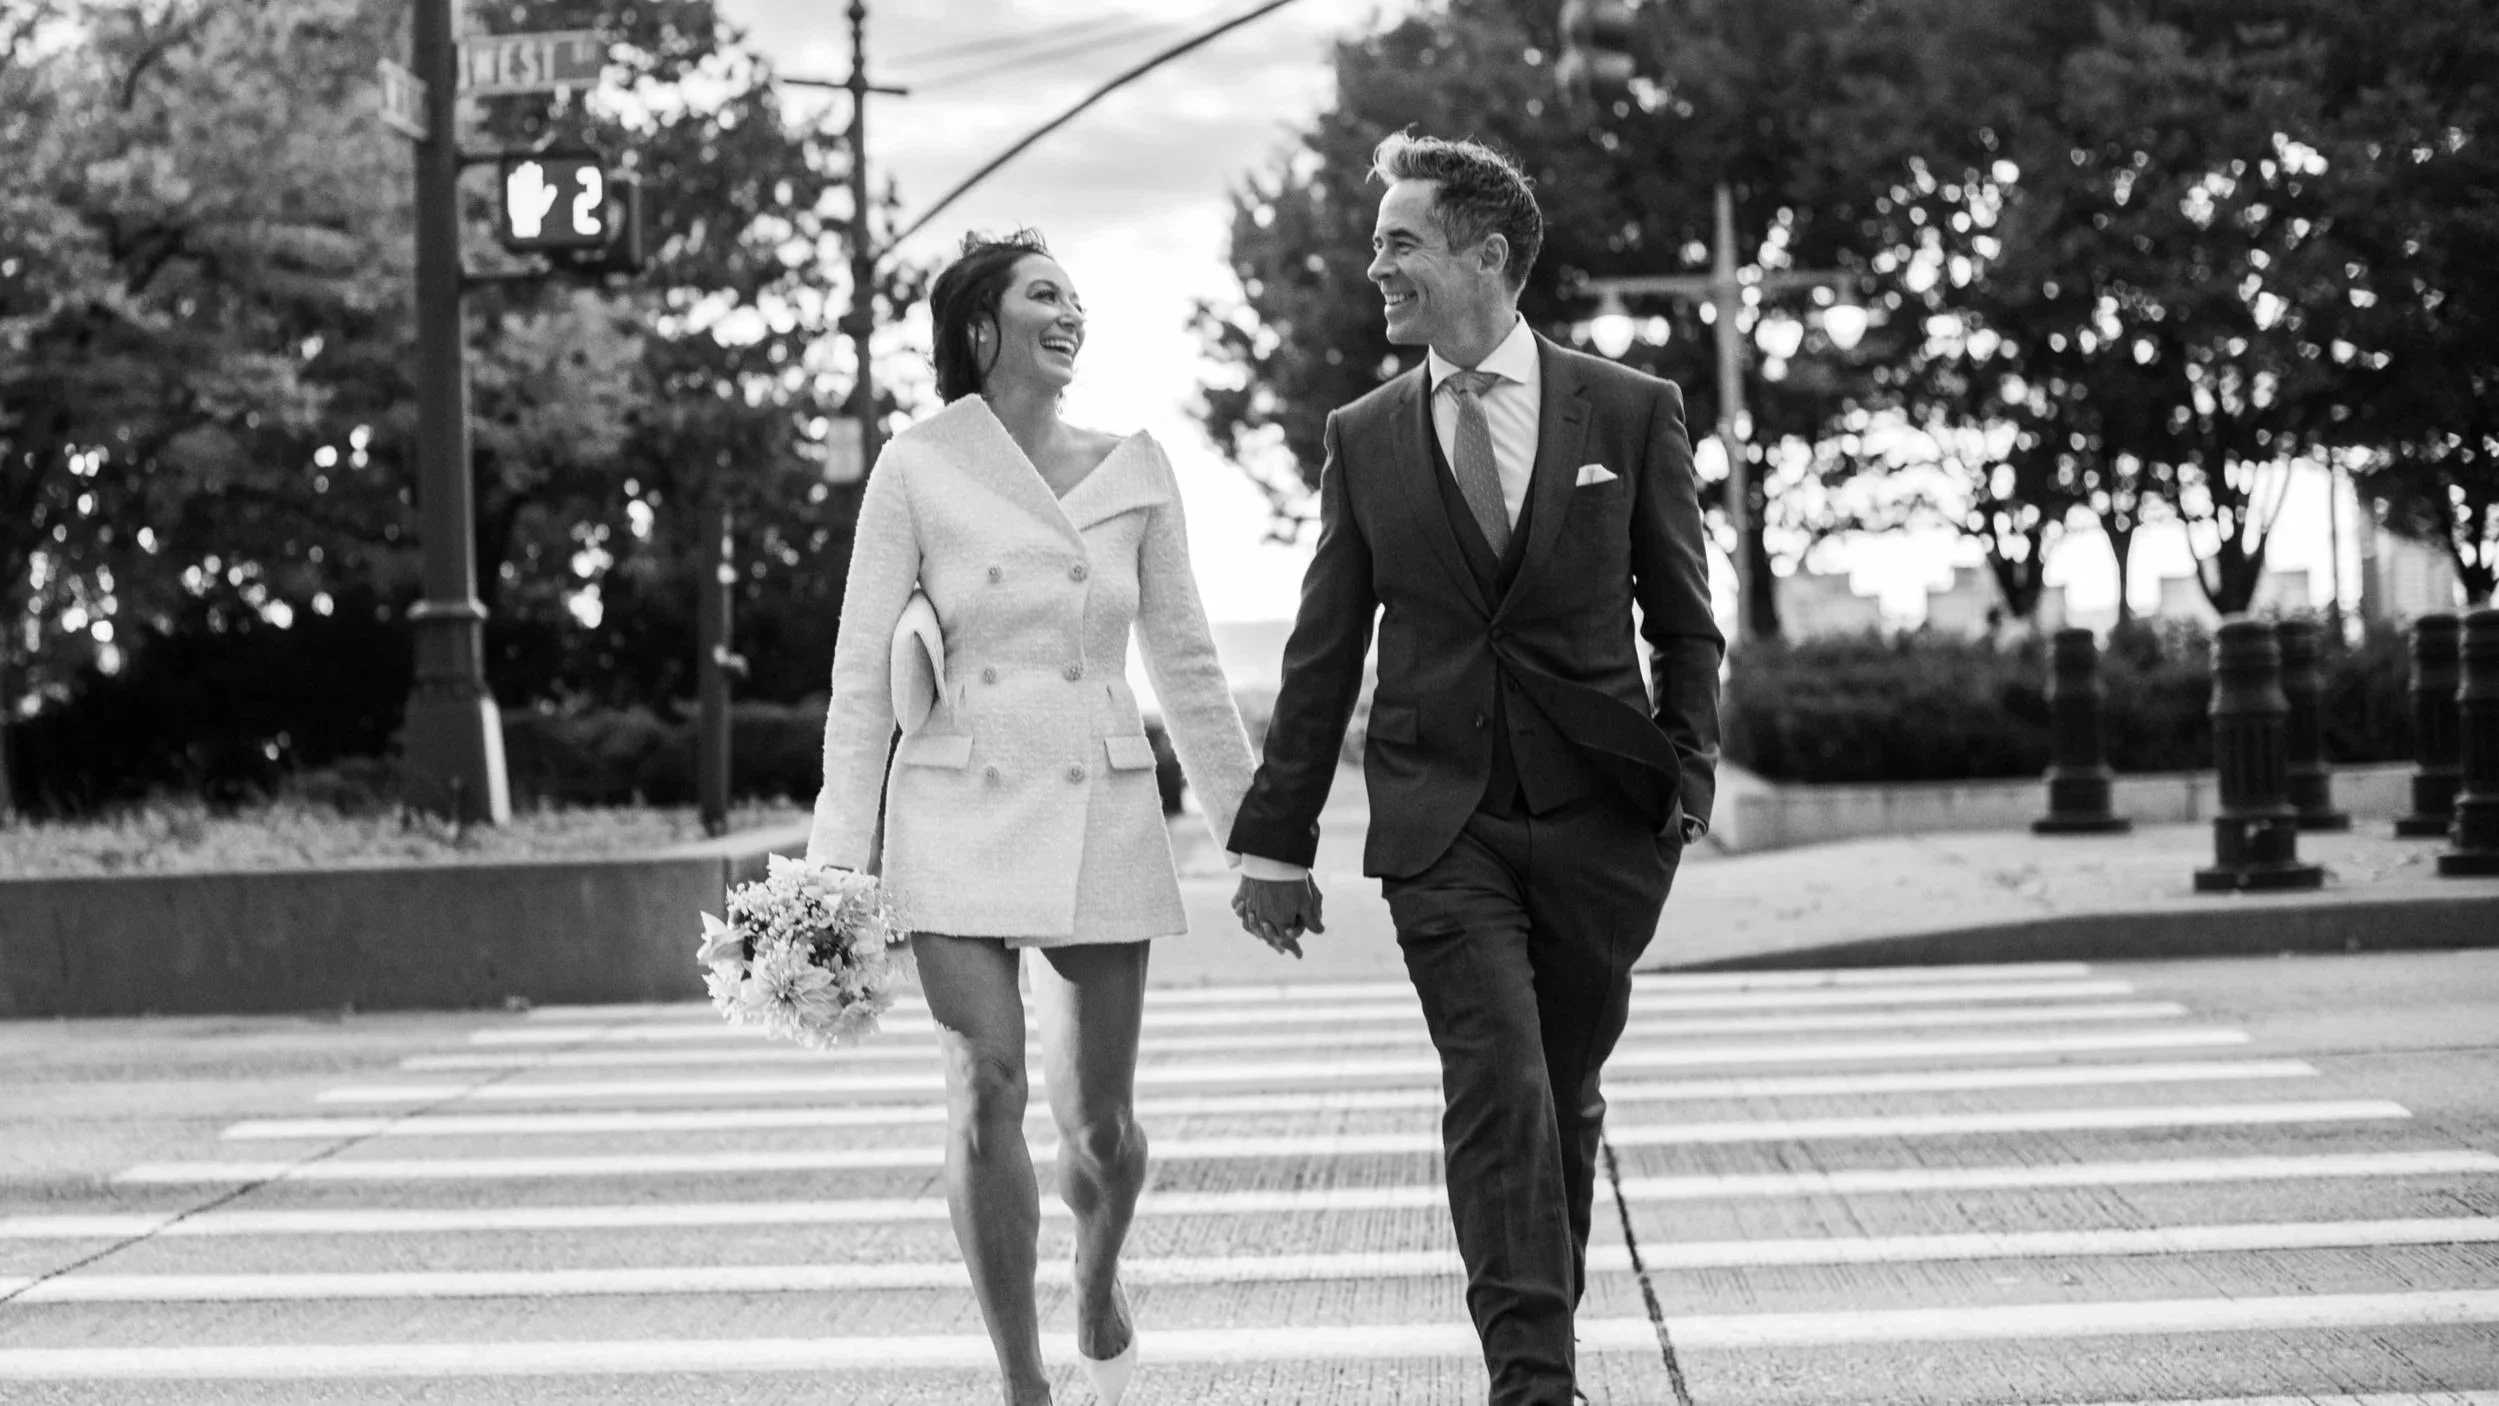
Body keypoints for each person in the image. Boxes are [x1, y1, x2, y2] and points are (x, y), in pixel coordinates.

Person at [1228, 134, 1724, 1406]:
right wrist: (1276, 841)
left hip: (1603, 824)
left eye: (1400, 241)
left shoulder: (1628, 409)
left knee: (1556, 1096)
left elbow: (1684, 620)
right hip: (1442, 826)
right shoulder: (1365, 433)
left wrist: (1685, 786)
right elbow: (1325, 649)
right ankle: (1534, 1386)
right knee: (1497, 1085)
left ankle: (1535, 1343)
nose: (1374, 264)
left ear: (1484, 255)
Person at [808, 230, 1270, 1406]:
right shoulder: (919, 465)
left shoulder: (1137, 466)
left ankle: (1096, 1274)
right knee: (984, 1083)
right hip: (953, 800)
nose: (1072, 313)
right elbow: (864, 673)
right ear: (980, 327)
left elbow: (1188, 664)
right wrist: (831, 864)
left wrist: (1262, 836)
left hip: (1100, 800)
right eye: (1044, 294)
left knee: (1103, 1132)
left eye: (1076, 297)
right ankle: (1022, 1381)